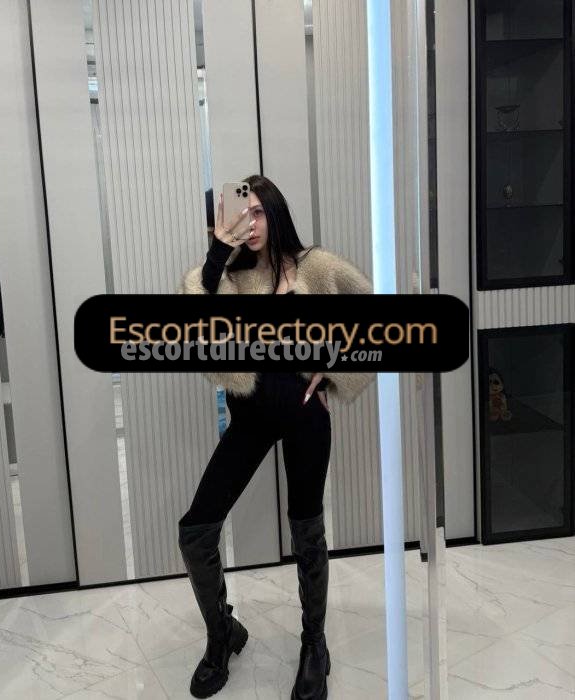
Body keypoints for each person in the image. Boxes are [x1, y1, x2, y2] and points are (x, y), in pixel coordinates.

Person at [177, 174, 375, 699]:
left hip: (305, 418)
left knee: (307, 531)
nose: (252, 223)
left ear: (276, 212)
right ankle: (223, 634)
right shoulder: (226, 277)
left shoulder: (316, 268)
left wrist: (332, 364)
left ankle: (315, 645)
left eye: (260, 212)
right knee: (196, 530)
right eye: (244, 213)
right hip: (250, 421)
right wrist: (217, 254)